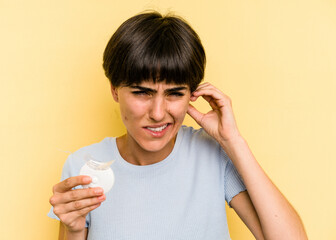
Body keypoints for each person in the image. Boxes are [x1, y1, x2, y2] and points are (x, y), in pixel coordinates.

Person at [48, 11, 307, 240]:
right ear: (115, 90)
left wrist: (233, 141)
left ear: (192, 94)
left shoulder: (213, 153)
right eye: (141, 92)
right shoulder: (83, 166)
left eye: (175, 93)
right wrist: (73, 230)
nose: (158, 113)